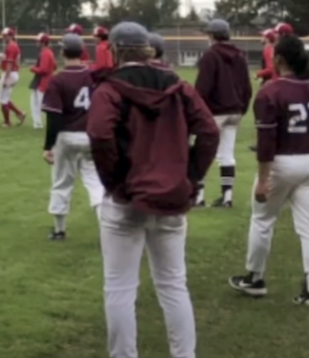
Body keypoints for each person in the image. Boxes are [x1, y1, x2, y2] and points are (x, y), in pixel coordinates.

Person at [87, 21, 219, 358]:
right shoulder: (178, 84)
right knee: (173, 285)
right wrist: (190, 176)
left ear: (114, 50)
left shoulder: (110, 88)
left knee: (119, 287)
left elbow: (100, 134)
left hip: (127, 197)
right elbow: (208, 131)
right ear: (147, 49)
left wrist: (115, 180)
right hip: (171, 194)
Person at [228, 34, 309, 306]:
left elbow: (266, 143)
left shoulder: (271, 92)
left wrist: (263, 180)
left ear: (278, 59)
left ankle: (255, 278)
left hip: (282, 162)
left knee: (262, 220)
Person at [41, 34, 103, 240]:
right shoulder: (93, 77)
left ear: (62, 52)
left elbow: (54, 117)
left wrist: (48, 146)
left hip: (66, 136)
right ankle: (108, 231)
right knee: (96, 183)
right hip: (91, 135)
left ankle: (59, 230)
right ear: (82, 52)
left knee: (61, 183)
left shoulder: (58, 80)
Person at [193, 19, 253, 208]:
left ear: (212, 35)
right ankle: (227, 197)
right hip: (235, 110)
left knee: (201, 153)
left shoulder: (211, 55)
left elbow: (203, 87)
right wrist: (242, 109)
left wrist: (196, 111)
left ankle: (199, 197)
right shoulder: (240, 55)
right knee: (226, 154)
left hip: (215, 111)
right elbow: (247, 87)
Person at [0, 26, 26, 127]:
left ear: (10, 36)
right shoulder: (12, 46)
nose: (3, 37)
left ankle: (7, 122)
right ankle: (20, 114)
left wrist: (5, 78)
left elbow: (10, 64)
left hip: (10, 73)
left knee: (3, 99)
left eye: (5, 36)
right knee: (5, 98)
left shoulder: (11, 46)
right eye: (3, 36)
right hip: (12, 73)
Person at [29, 32, 57, 130]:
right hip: (46, 80)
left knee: (37, 104)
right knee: (40, 103)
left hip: (42, 81)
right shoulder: (50, 52)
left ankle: (38, 123)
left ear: (43, 42)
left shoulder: (45, 53)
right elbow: (54, 66)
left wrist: (33, 68)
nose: (37, 43)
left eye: (38, 41)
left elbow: (43, 70)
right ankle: (39, 123)